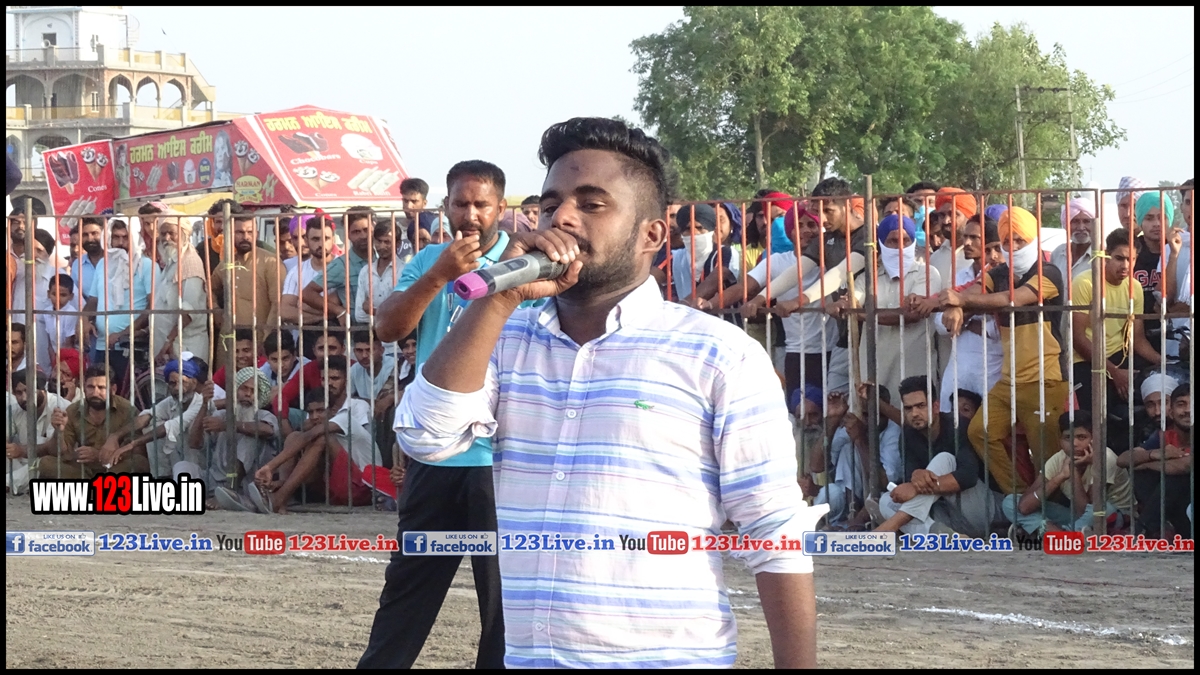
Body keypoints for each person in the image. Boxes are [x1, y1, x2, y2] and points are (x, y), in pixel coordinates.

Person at [382, 117, 823, 668]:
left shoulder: (718, 354)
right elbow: (426, 437)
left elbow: (774, 533)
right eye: (550, 205)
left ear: (652, 235)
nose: (562, 218)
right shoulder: (502, 335)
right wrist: (497, 302)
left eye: (592, 204)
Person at [361, 160, 513, 669]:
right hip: (436, 457)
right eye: (460, 204)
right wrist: (438, 276)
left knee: (502, 604)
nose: (470, 215)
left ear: (501, 208)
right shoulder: (429, 259)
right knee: (407, 592)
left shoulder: (521, 262)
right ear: (445, 207)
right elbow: (387, 328)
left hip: (500, 460)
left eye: (481, 204)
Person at [942, 206, 1069, 494]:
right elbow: (973, 292)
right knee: (980, 432)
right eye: (1007, 242)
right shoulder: (999, 272)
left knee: (1047, 458)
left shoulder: (1049, 272)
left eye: (1020, 240)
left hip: (1044, 379)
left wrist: (959, 302)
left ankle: (1057, 510)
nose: (1014, 247)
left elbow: (1013, 299)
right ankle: (1019, 496)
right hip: (1009, 380)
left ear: (1033, 240)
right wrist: (955, 304)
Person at [701, 200, 828, 405]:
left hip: (833, 350)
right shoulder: (777, 261)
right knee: (799, 410)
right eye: (799, 225)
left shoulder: (832, 259)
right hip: (796, 351)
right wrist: (709, 305)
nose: (806, 230)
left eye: (812, 224)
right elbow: (743, 287)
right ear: (790, 232)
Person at [757, 178, 869, 396]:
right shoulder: (828, 238)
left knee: (868, 400)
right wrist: (760, 297)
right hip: (845, 334)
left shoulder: (868, 235)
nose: (823, 219)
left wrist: (798, 300)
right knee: (835, 401)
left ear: (847, 205)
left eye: (828, 211)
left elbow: (841, 273)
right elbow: (799, 269)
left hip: (872, 332)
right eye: (818, 212)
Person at [873, 376, 1006, 537]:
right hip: (947, 517)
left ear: (936, 407)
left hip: (981, 511)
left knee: (945, 459)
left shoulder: (958, 425)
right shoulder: (908, 435)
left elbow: (968, 477)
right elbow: (911, 488)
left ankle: (891, 525)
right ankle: (941, 534)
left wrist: (915, 486)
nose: (914, 413)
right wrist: (915, 477)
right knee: (886, 500)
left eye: (921, 406)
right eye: (908, 408)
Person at [1070, 228, 1161, 452]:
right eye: (1120, 258)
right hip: (1087, 360)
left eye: (1132, 259)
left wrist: (1165, 362)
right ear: (1106, 255)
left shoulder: (1135, 287)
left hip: (1120, 358)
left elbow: (1138, 339)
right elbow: (1078, 338)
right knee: (1093, 421)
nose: (1126, 265)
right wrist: (1114, 372)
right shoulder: (1085, 283)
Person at [251, 355, 376, 511]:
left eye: (335, 378)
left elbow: (311, 435)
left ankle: (280, 496)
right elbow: (302, 436)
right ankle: (284, 492)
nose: (329, 383)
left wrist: (270, 466)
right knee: (295, 436)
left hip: (362, 484)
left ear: (347, 381)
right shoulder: (324, 412)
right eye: (324, 379)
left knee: (321, 437)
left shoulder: (351, 411)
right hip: (334, 478)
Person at [854, 213, 941, 401]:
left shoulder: (927, 274)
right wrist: (844, 305)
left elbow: (912, 314)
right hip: (875, 366)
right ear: (881, 244)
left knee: (914, 414)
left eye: (905, 240)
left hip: (914, 366)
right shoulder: (868, 278)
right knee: (874, 411)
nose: (900, 247)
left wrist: (862, 315)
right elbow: (852, 303)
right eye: (892, 241)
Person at [1003, 411, 1132, 536]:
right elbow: (1024, 507)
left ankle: (1058, 535)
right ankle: (1062, 535)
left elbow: (1087, 510)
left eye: (1082, 437)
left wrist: (1074, 471)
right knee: (1011, 502)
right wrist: (1060, 477)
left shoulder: (1105, 457)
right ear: (1060, 440)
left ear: (1094, 439)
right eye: (1067, 438)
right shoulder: (1058, 459)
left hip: (1112, 516)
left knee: (1102, 509)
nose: (1074, 444)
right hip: (1077, 517)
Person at [933, 215, 1004, 412]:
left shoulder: (1003, 277)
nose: (966, 243)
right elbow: (940, 323)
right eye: (965, 237)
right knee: (949, 420)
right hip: (958, 366)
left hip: (992, 368)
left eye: (974, 237)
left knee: (988, 423)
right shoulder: (960, 276)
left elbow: (999, 327)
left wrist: (962, 314)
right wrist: (969, 318)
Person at [38, 364, 149, 479]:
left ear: (113, 389)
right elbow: (61, 453)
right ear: (84, 388)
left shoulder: (127, 410)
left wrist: (99, 456)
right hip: (84, 470)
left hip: (115, 468)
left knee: (138, 462)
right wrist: (59, 432)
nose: (95, 393)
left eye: (101, 388)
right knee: (46, 463)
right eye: (90, 387)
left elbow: (138, 451)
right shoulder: (73, 410)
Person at [189, 365, 278, 509]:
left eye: (253, 391)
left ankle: (229, 492)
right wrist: (205, 404)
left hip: (245, 487)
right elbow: (194, 443)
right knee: (184, 467)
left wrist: (227, 426)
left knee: (251, 438)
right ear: (235, 391)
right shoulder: (221, 415)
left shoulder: (264, 416)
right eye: (244, 389)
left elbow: (267, 430)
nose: (248, 394)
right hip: (214, 480)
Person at [815, 386, 901, 529]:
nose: (869, 420)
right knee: (829, 492)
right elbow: (816, 466)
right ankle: (842, 517)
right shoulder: (856, 424)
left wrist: (860, 439)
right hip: (850, 500)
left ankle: (857, 521)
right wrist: (833, 420)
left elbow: (884, 483)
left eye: (876, 414)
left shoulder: (893, 430)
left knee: (880, 497)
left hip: (883, 498)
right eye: (865, 414)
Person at [85, 218, 154, 390]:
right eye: (116, 237)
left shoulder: (145, 265)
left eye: (125, 237)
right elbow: (93, 301)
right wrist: (84, 320)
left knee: (126, 394)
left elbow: (153, 306)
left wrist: (124, 333)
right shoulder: (102, 264)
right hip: (101, 344)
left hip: (129, 346)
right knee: (99, 394)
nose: (121, 243)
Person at [1118, 381, 1192, 538]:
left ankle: (1143, 530)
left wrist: (1145, 464)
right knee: (1143, 475)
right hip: (1179, 509)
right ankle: (1162, 528)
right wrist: (1154, 454)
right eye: (1181, 404)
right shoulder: (1164, 436)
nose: (1188, 410)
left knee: (1176, 478)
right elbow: (1123, 460)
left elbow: (1185, 466)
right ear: (1171, 412)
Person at [122, 355, 207, 478]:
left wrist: (133, 444)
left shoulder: (200, 402)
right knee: (151, 422)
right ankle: (162, 476)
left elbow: (169, 427)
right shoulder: (172, 401)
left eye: (183, 382)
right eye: (173, 383)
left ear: (194, 383)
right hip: (181, 460)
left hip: (202, 465)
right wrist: (115, 437)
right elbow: (147, 415)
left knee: (165, 430)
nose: (177, 388)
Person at [143, 214, 210, 364]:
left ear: (184, 235)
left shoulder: (190, 262)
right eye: (163, 234)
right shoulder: (172, 262)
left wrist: (169, 340)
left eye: (171, 233)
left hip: (184, 347)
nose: (166, 238)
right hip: (167, 347)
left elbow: (189, 311)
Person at [210, 205, 281, 342]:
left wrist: (267, 337)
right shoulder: (227, 263)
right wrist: (216, 309)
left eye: (250, 232)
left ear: (257, 234)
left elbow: (277, 304)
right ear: (231, 234)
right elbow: (209, 287)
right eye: (239, 232)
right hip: (229, 338)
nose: (245, 237)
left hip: (258, 339)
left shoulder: (270, 262)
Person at [5, 370, 72, 493]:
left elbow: (54, 450)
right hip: (23, 463)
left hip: (51, 462)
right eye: (19, 393)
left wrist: (21, 450)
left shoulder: (60, 407)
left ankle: (9, 483)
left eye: (29, 391)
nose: (24, 398)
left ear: (43, 389)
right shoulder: (16, 410)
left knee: (43, 463)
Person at [305, 206, 374, 324]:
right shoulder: (342, 265)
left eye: (366, 230)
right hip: (358, 331)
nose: (363, 236)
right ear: (348, 234)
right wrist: (338, 311)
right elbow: (307, 293)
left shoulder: (386, 258)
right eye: (356, 232)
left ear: (374, 228)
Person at [1131, 191, 1176, 355]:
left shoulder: (1179, 249)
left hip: (1175, 335)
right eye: (1149, 218)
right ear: (1140, 221)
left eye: (1162, 217)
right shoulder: (1131, 252)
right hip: (1135, 334)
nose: (1157, 223)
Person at [282, 216, 341, 325]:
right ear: (306, 241)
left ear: (333, 240)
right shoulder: (296, 271)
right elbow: (285, 311)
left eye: (326, 238)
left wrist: (303, 307)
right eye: (315, 239)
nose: (321, 244)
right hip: (305, 334)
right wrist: (327, 317)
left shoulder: (344, 267)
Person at [356, 220, 409, 324]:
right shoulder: (366, 271)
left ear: (398, 244)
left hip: (396, 331)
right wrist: (386, 314)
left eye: (387, 242)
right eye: (378, 241)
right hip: (369, 330)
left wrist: (373, 311)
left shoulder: (405, 271)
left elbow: (403, 313)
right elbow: (359, 315)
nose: (381, 246)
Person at [34, 273, 80, 373]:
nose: (58, 298)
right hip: (55, 354)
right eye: (54, 294)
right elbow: (50, 343)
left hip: (71, 356)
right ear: (48, 294)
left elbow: (69, 344)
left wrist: (60, 364)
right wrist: (54, 362)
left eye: (63, 295)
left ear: (71, 296)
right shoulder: (47, 312)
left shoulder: (71, 313)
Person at [1050, 197, 1099, 286]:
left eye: (1086, 221)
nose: (1081, 227)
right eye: (1075, 221)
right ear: (1066, 224)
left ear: (1094, 224)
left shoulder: (1100, 255)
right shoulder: (1058, 253)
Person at [70, 216, 106, 304]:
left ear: (104, 234)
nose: (90, 239)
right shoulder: (77, 265)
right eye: (85, 235)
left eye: (94, 233)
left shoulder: (115, 260)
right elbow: (76, 297)